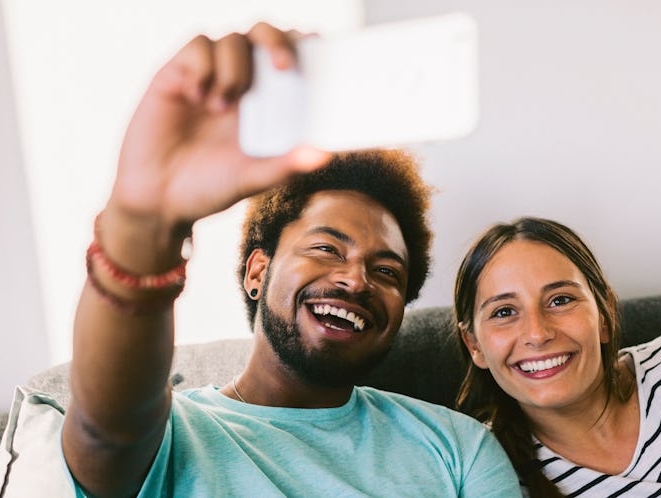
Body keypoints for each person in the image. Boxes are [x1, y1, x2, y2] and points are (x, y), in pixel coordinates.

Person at [60, 23, 521, 497]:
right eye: (326, 248)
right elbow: (106, 433)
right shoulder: (168, 437)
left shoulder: (459, 447)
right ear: (258, 271)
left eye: (387, 272)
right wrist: (145, 223)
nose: (356, 280)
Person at [453, 216, 661, 497]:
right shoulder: (485, 469)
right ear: (474, 345)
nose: (537, 334)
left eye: (560, 300)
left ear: (604, 315)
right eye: (504, 312)